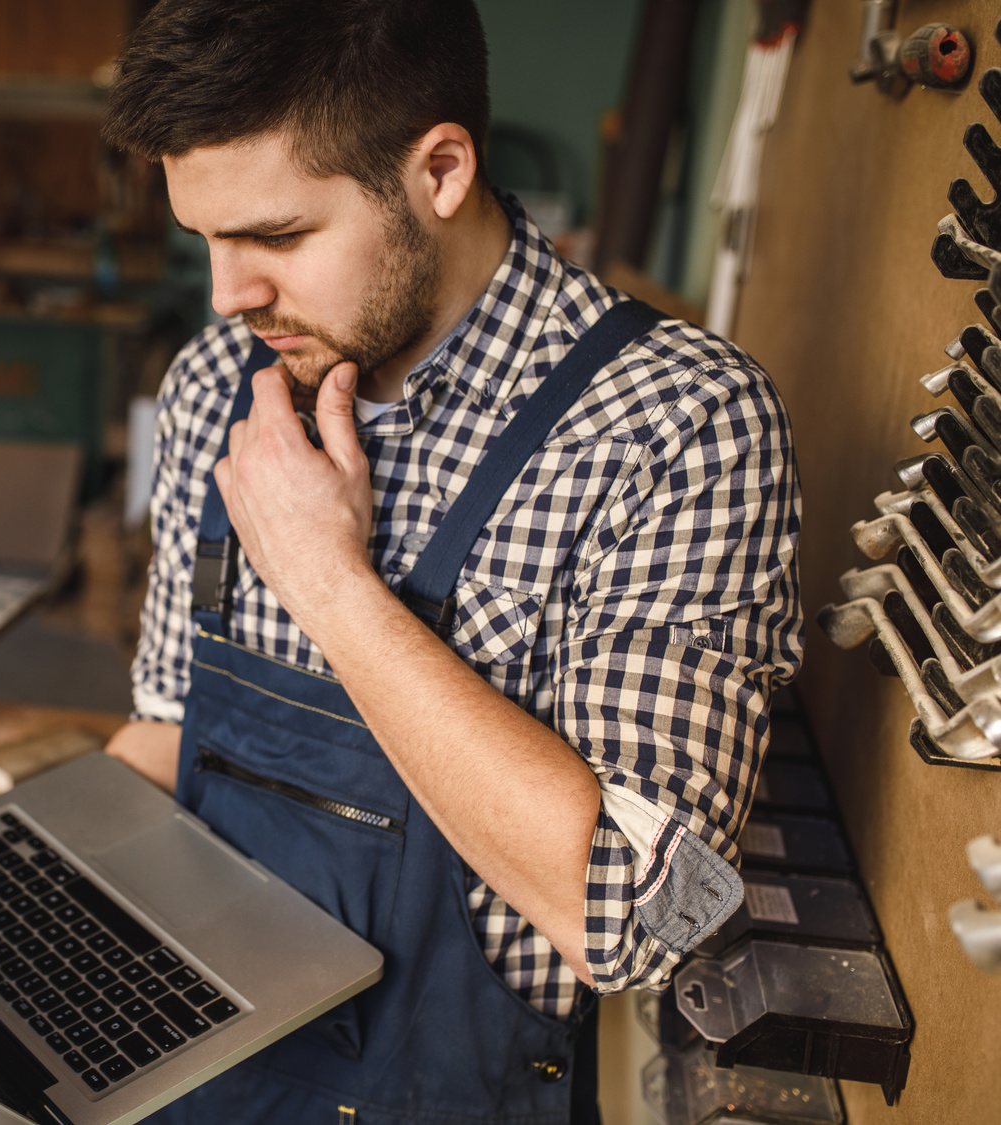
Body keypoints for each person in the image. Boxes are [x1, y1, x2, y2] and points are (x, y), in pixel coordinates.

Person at [98, 1, 801, 1121]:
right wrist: (28, 887)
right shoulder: (214, 386)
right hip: (190, 1064)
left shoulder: (675, 426)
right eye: (207, 240)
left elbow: (641, 916)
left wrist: (329, 585)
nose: (228, 295)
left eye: (277, 238)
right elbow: (170, 728)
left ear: (438, 171)